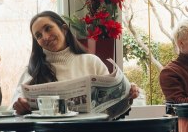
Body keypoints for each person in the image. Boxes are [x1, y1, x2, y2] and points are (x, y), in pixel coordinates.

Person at [10, 10, 138, 115]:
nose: (45, 37)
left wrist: (128, 95)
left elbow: (112, 108)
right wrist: (19, 106)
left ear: (64, 29)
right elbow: (13, 107)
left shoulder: (91, 61)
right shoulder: (32, 70)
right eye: (38, 35)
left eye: (48, 28)